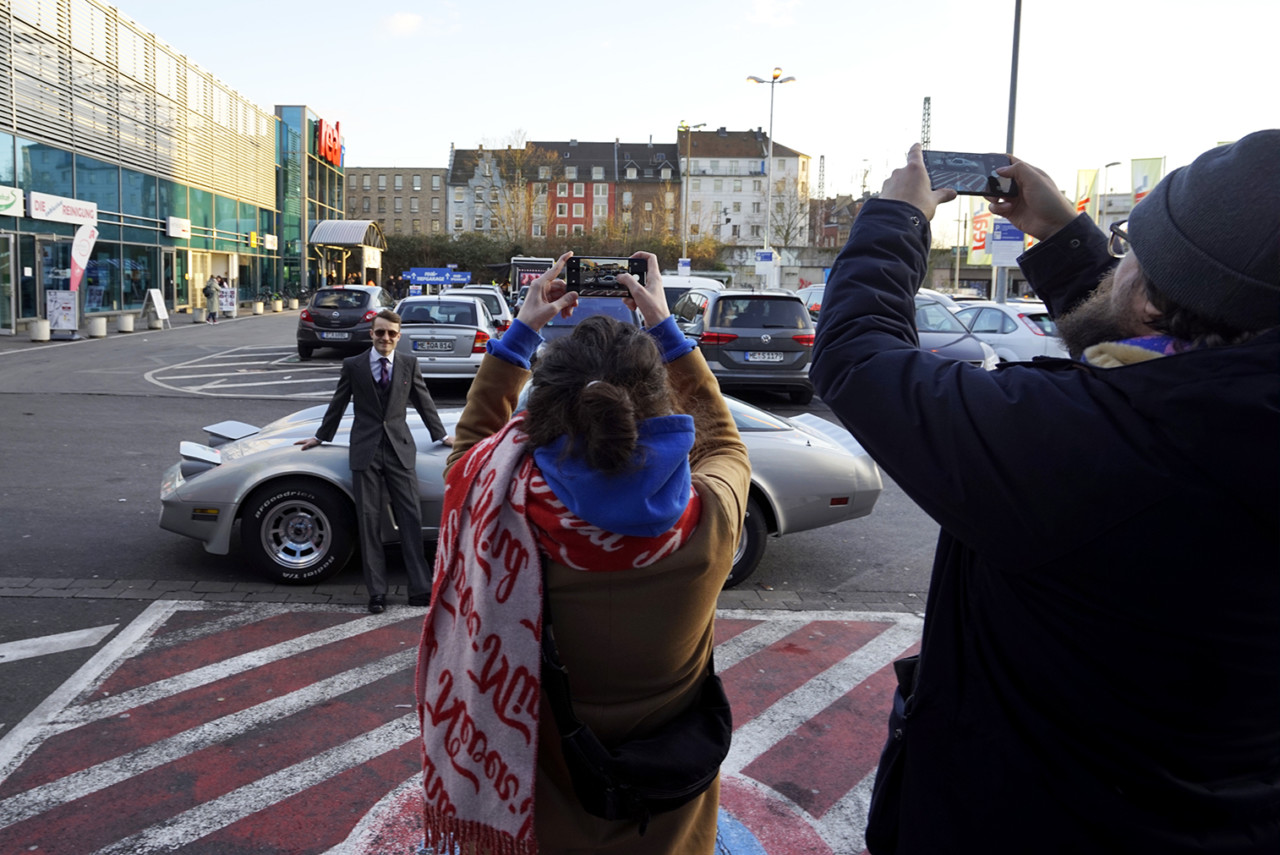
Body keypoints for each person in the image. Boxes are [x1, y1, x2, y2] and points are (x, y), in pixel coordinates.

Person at [810, 133, 1280, 853]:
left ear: (1153, 302)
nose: (1117, 264)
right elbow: (1160, 368)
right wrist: (1065, 238)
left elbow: (857, 360)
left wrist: (895, 219)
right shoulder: (1215, 428)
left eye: (1130, 254)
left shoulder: (1105, 452)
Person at [415, 251, 750, 854]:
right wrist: (664, 326)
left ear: (542, 411)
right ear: (658, 412)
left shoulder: (501, 503)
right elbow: (723, 440)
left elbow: (467, 450)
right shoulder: (710, 523)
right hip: (669, 824)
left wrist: (521, 334)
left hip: (544, 818)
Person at [295, 309, 452, 614]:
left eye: (392, 333)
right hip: (365, 451)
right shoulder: (354, 365)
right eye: (380, 332)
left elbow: (423, 402)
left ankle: (419, 588)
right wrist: (320, 436)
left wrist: (442, 435)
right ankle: (376, 592)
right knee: (369, 522)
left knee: (411, 519)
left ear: (399, 335)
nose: (386, 338)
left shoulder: (408, 364)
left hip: (399, 450)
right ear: (371, 333)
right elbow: (338, 403)